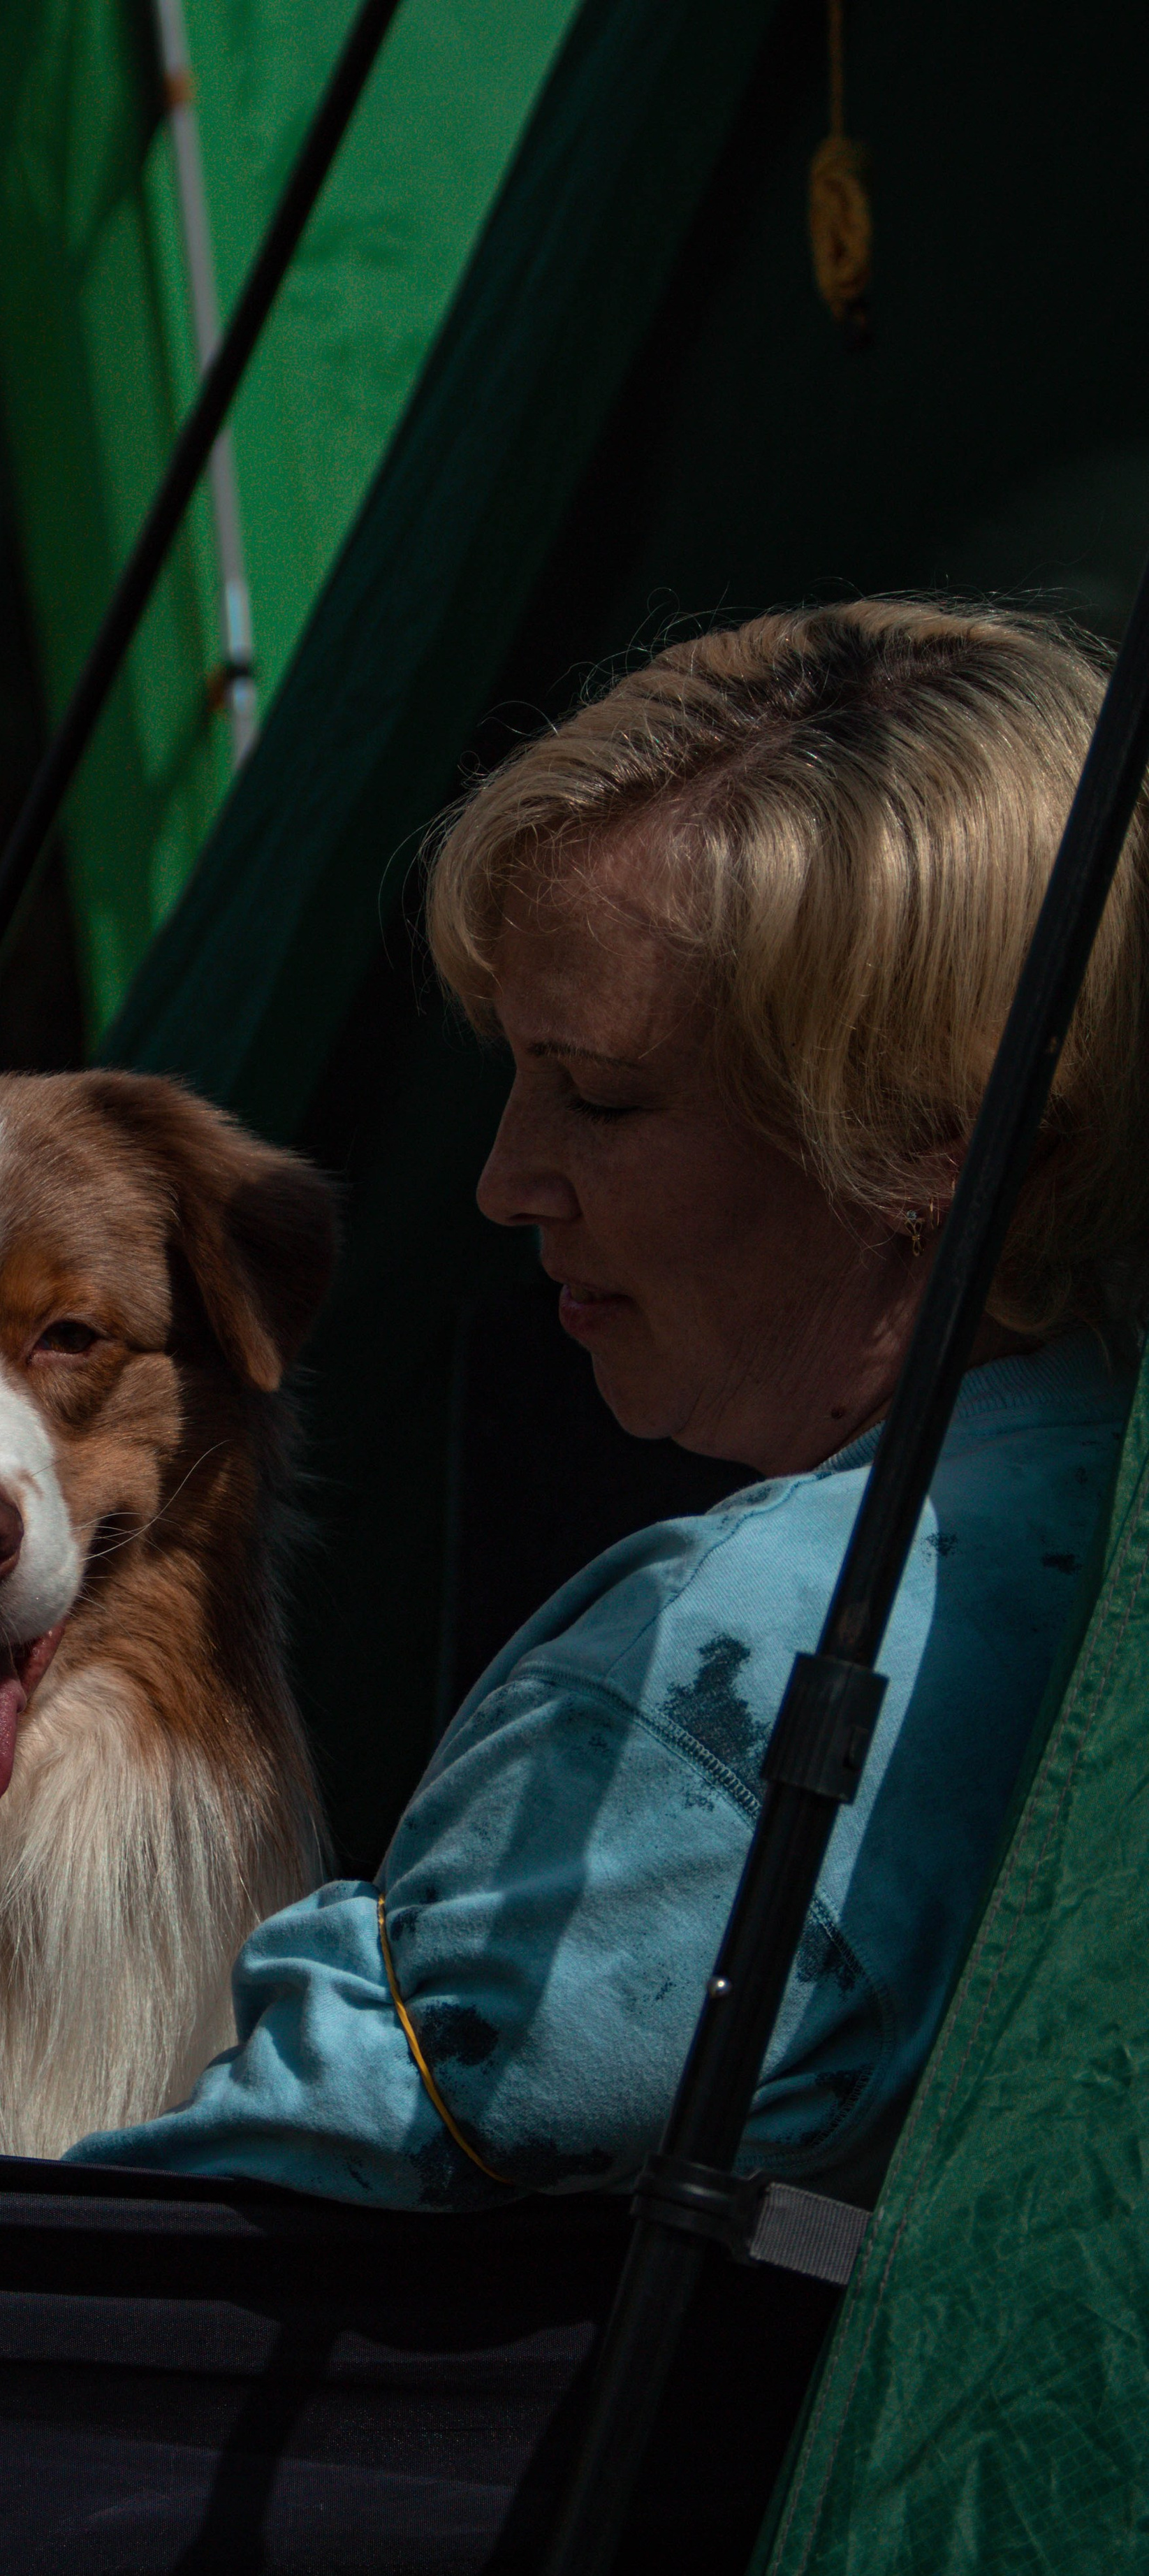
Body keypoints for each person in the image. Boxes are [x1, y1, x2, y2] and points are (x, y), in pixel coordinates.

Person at [68, 599, 1149, 2209]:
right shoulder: (1099, 1509)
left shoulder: (755, 1669)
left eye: (603, 1095)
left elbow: (227, 2240)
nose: (506, 1181)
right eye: (512, 1076)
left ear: (945, 1133)